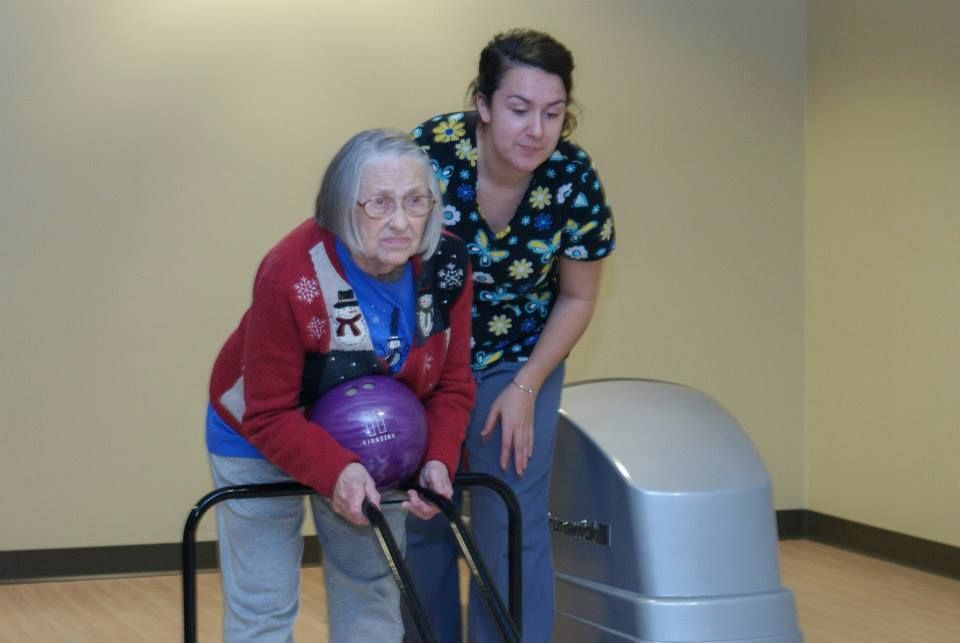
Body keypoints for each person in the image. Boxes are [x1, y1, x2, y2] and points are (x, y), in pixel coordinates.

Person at [205, 128, 475, 642]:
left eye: (417, 201)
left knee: (371, 587)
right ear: (340, 207)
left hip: (379, 438)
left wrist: (438, 456)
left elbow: (453, 382)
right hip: (256, 433)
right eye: (379, 203)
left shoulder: (446, 265)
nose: (401, 221)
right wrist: (336, 470)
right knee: (263, 602)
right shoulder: (289, 273)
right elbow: (268, 413)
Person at [404, 28, 616, 643]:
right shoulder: (428, 156)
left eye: (553, 114)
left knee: (510, 517)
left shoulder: (573, 179)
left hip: (519, 359)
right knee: (425, 514)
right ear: (484, 105)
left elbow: (578, 295)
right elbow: (386, 270)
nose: (536, 130)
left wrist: (525, 387)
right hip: (428, 358)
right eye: (520, 110)